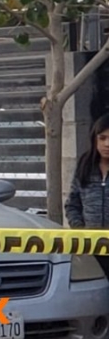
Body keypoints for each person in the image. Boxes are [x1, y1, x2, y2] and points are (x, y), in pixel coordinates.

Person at [64, 112, 109, 278]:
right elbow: (72, 204)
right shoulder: (85, 165)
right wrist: (81, 231)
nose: (107, 144)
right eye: (102, 138)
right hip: (90, 250)